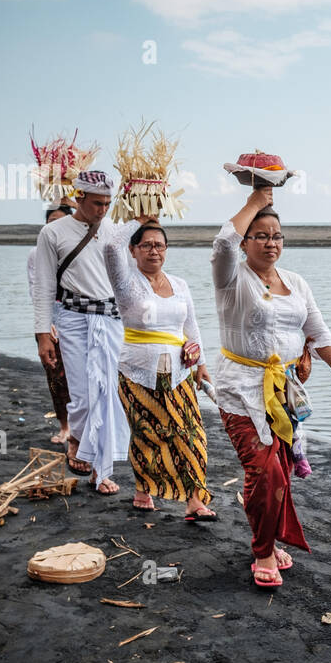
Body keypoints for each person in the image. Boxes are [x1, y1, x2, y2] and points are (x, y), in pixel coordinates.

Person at [211, 185, 331, 588]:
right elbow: (222, 242)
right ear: (246, 241)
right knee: (264, 468)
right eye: (261, 235)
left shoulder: (296, 281)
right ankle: (262, 550)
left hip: (284, 392)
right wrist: (258, 200)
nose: (271, 243)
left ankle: (269, 542)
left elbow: (317, 329)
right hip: (240, 389)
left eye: (277, 236)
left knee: (281, 471)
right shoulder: (231, 277)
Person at [103, 219, 215, 519]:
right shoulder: (126, 282)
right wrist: (139, 218)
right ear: (133, 250)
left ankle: (194, 499)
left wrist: (201, 364)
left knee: (191, 433)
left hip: (179, 372)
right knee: (147, 433)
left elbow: (191, 326)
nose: (154, 251)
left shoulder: (180, 284)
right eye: (147, 245)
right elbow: (111, 245)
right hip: (136, 371)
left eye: (160, 245)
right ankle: (143, 487)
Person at [30, 172, 131, 495]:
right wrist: (42, 334)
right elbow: (44, 285)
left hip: (112, 321)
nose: (102, 210)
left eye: (107, 204)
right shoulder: (53, 232)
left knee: (110, 394)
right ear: (79, 198)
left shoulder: (115, 231)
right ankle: (76, 437)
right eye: (97, 203)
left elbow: (127, 280)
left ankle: (100, 471)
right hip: (72, 319)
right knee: (84, 395)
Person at [27, 205, 74, 444]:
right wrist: (45, 325)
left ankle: (82, 427)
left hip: (77, 317)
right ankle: (64, 425)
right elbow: (36, 290)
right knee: (56, 376)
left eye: (60, 221)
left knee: (81, 377)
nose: (54, 225)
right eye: (50, 221)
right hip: (50, 321)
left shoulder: (77, 247)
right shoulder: (37, 253)